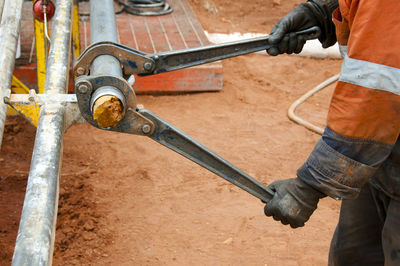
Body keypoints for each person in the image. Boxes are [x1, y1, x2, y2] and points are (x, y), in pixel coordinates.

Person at [263, 0, 400, 265]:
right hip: (380, 153)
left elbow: (375, 92)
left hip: (377, 128)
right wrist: (325, 12)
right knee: (354, 252)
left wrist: (310, 185)